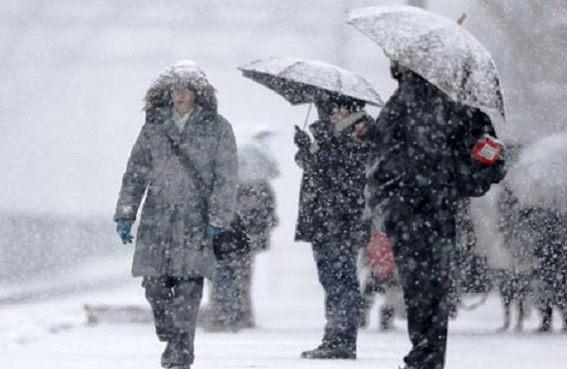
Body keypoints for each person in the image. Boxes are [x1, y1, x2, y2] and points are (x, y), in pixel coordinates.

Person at [356, 61, 506, 369]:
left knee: (418, 285)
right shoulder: (460, 106)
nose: (390, 64)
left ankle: (424, 354)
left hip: (407, 207)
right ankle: (430, 354)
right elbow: (487, 154)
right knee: (434, 285)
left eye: (395, 59)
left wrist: (371, 135)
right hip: (443, 209)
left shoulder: (404, 101)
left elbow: (392, 154)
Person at [113, 60, 238, 369]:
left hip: (197, 220)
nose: (180, 95)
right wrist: (126, 211)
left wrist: (219, 217)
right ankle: (169, 330)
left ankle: (180, 351)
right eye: (175, 89)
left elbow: (226, 176)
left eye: (186, 89)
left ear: (198, 94)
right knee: (154, 285)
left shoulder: (218, 128)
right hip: (157, 218)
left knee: (188, 287)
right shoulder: (153, 126)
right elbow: (135, 172)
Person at [294, 92, 373, 359]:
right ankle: (335, 336)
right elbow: (314, 166)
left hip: (341, 219)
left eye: (334, 108)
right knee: (332, 279)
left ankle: (342, 338)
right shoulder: (335, 132)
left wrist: (321, 146)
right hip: (325, 218)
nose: (330, 114)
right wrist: (307, 148)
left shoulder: (360, 132)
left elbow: (344, 171)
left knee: (341, 280)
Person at [203, 130, 279, 331]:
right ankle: (238, 316)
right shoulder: (258, 186)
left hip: (222, 239)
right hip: (242, 241)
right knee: (239, 278)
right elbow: (266, 214)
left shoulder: (217, 182)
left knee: (221, 278)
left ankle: (221, 317)